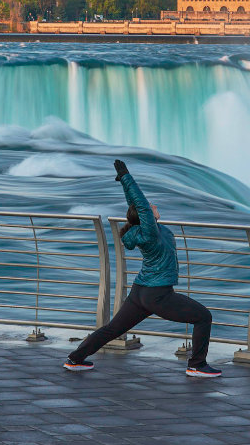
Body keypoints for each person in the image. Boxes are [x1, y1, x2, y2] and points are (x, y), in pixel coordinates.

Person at [64, 159, 222, 378]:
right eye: (150, 208)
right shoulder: (150, 233)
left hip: (141, 292)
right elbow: (140, 204)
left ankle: (75, 358)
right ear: (145, 215)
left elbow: (136, 207)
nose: (154, 207)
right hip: (158, 294)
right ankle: (197, 365)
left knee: (113, 329)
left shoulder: (146, 229)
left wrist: (123, 183)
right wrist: (126, 176)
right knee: (204, 317)